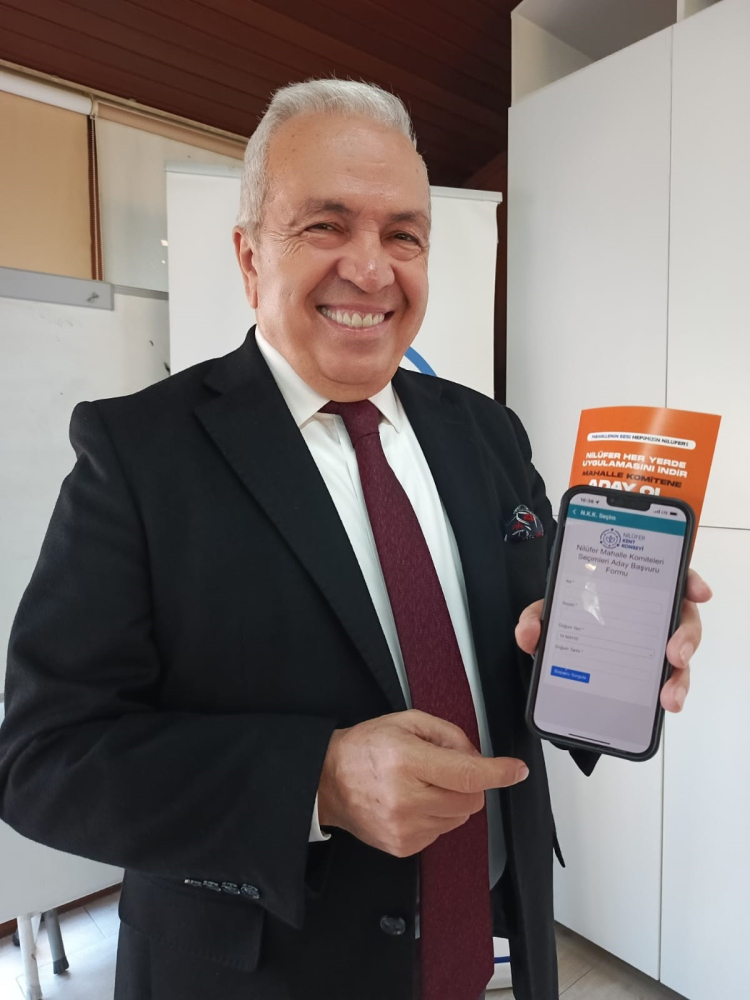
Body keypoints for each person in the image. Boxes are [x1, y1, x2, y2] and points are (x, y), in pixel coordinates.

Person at [0, 79, 709, 1000]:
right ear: (249, 255)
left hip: (487, 938)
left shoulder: (486, 430)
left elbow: (519, 641)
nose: (372, 270)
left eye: (404, 234)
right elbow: (43, 761)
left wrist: (612, 649)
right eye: (326, 225)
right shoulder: (137, 452)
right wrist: (319, 782)